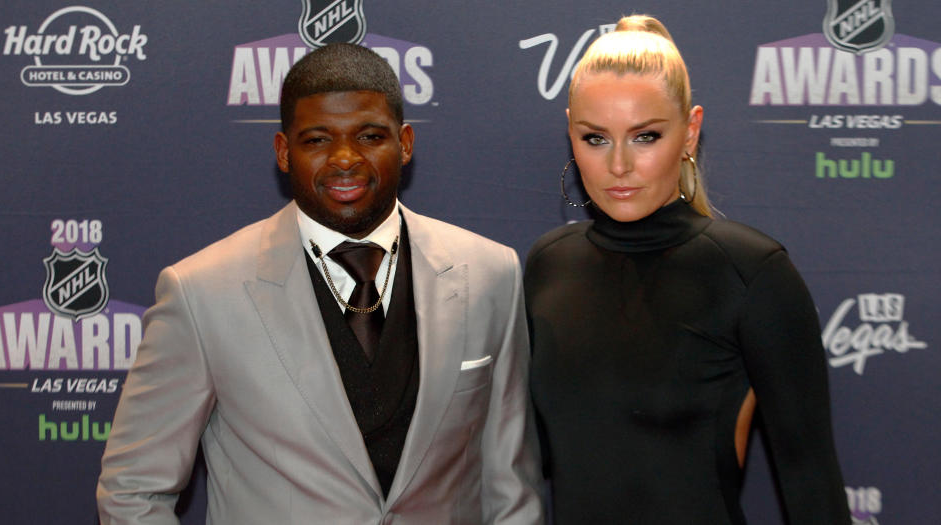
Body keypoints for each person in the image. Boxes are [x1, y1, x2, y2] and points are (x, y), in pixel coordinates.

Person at [97, 43, 544, 524]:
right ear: (284, 152)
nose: (345, 159)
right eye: (317, 140)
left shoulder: (491, 273)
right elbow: (133, 489)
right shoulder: (200, 292)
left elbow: (510, 484)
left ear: (406, 142)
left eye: (370, 136)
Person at [525, 15, 851, 524]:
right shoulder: (548, 264)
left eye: (645, 136)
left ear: (690, 131)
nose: (618, 166)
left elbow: (811, 482)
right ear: (571, 132)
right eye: (595, 138)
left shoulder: (751, 272)